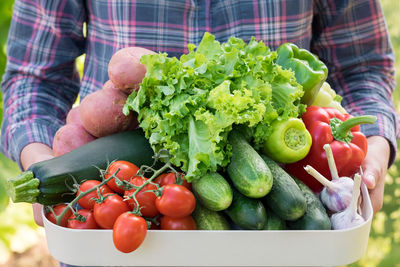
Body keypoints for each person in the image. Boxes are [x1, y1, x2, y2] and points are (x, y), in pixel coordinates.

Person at [1, 0, 398, 266]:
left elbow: (363, 67)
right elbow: (34, 77)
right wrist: (42, 163)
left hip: (284, 249)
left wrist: (376, 150)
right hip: (114, 221)